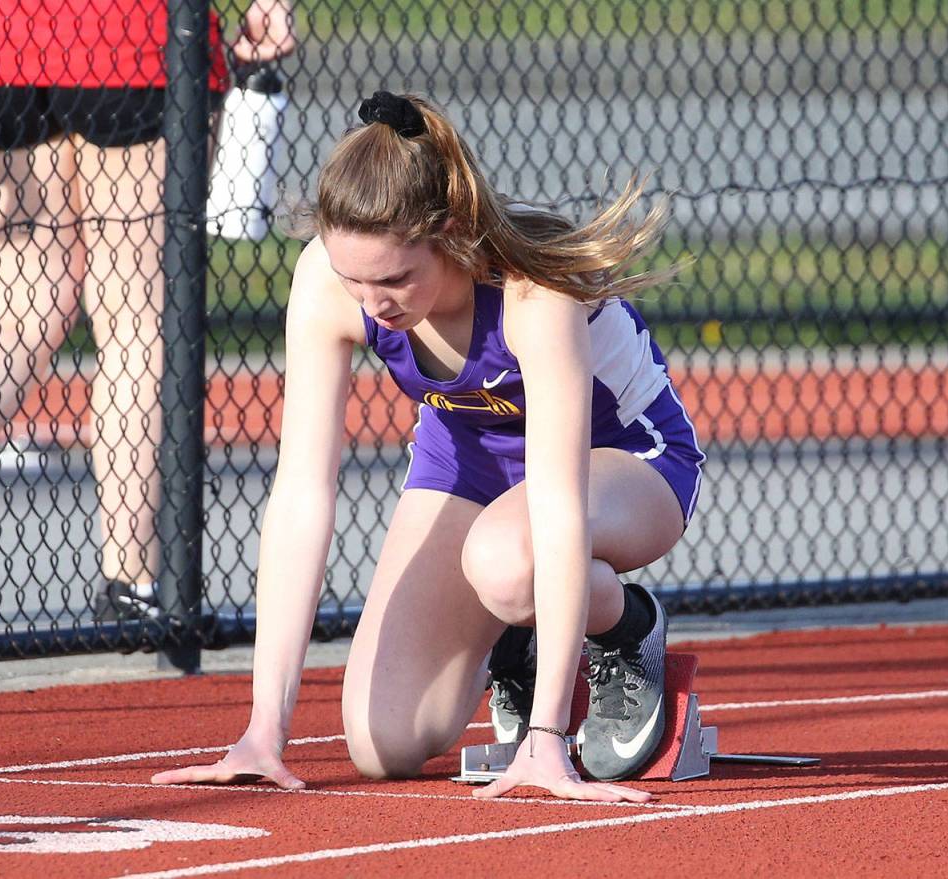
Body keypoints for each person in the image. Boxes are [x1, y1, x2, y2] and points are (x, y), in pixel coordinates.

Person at [150, 91, 705, 800]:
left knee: (508, 561)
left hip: (626, 458)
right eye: (356, 279)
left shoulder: (533, 294)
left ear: (449, 233)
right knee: (384, 742)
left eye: (394, 279)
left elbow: (559, 507)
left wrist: (542, 743)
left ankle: (627, 628)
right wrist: (266, 726)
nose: (373, 302)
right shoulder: (328, 282)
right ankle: (517, 640)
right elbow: (301, 495)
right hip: (470, 458)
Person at [0, 0, 295, 619]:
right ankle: (131, 584)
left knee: (10, 320)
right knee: (137, 322)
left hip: (2, 45)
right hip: (133, 41)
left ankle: (134, 586)